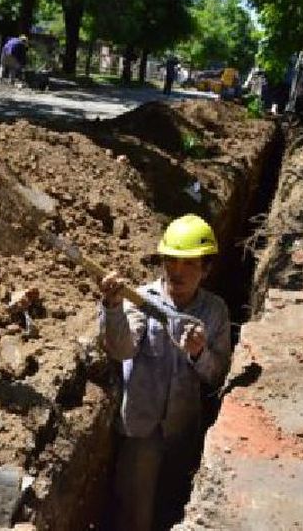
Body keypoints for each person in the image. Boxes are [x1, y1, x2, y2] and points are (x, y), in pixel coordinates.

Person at [97, 214, 233, 531]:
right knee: (135, 517)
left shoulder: (214, 312)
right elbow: (122, 349)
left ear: (207, 269)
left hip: (182, 432)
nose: (177, 271)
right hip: (140, 432)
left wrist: (199, 353)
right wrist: (113, 307)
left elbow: (217, 376)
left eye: (189, 264)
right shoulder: (140, 299)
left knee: (174, 510)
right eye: (171, 261)